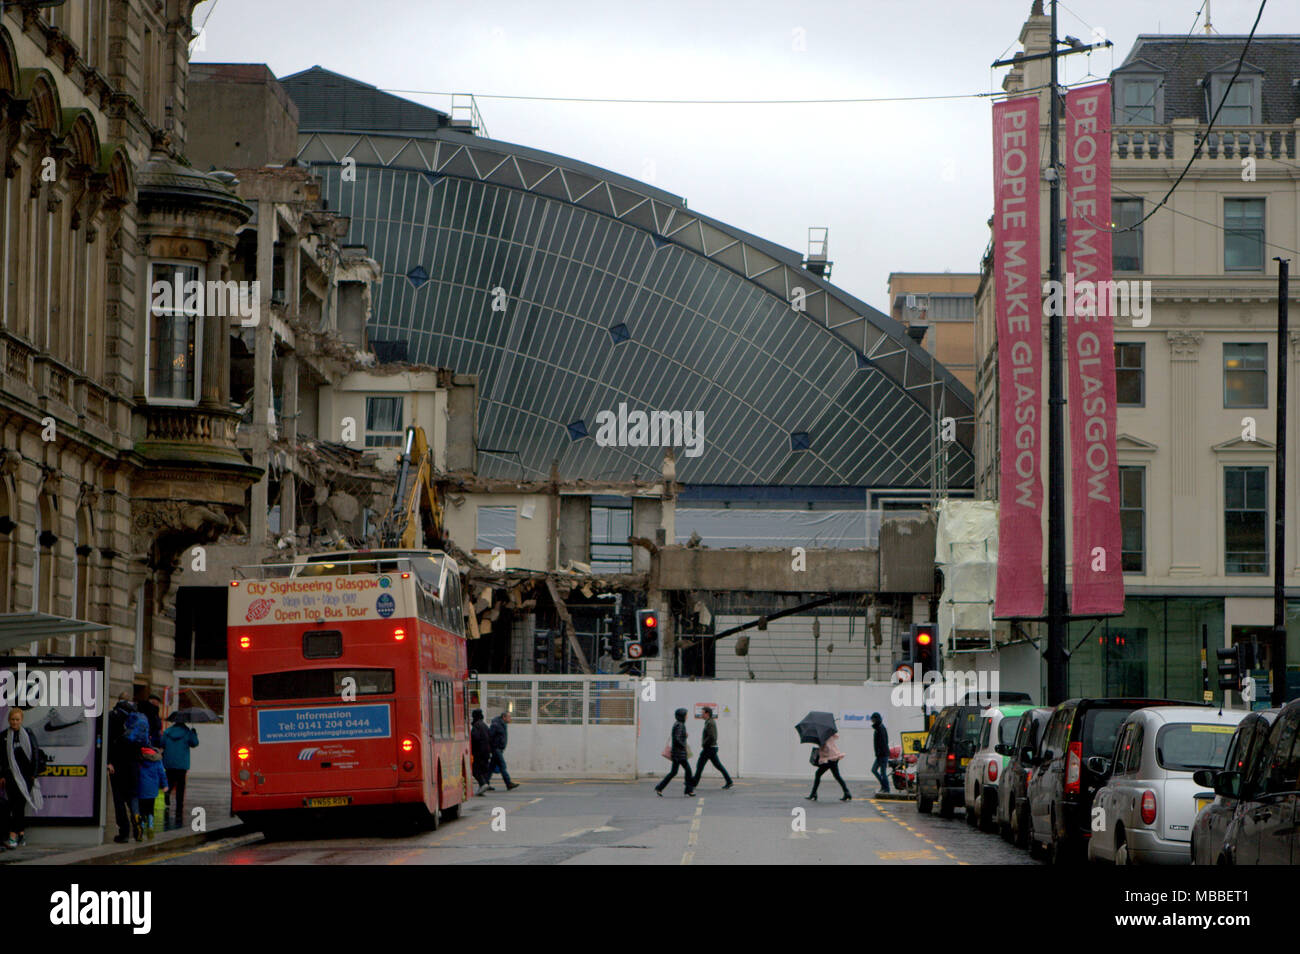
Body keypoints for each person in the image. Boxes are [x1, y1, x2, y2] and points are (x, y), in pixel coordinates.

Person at [0, 708, 44, 849]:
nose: (14, 722)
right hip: (10, 776)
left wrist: (34, 773)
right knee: (14, 806)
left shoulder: (28, 734)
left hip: (26, 777)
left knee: (19, 805)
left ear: (21, 720)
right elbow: (1, 758)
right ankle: (21, 834)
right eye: (12, 719)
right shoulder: (4, 736)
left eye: (17, 719)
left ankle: (13, 835)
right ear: (9, 720)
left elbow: (35, 753)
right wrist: (1, 775)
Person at [106, 695, 143, 843]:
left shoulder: (112, 716)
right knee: (133, 796)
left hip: (118, 764)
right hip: (134, 764)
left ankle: (124, 832)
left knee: (119, 799)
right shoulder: (137, 717)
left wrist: (109, 761)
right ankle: (138, 825)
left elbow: (108, 740)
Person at [161, 714, 199, 829]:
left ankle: (167, 795)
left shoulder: (167, 732)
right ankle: (179, 808)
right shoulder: (187, 732)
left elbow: (162, 744)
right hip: (182, 765)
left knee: (170, 782)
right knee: (181, 787)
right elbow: (195, 743)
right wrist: (194, 733)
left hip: (169, 763)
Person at [655, 708, 695, 797]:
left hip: (677, 753)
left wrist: (684, 735)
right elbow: (676, 738)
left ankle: (659, 787)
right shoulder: (680, 725)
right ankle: (689, 790)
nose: (687, 716)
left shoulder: (678, 724)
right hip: (679, 754)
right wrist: (683, 746)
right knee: (688, 771)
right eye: (686, 715)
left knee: (674, 772)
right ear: (682, 716)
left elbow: (677, 736)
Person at [691, 706, 733, 789]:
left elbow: (712, 737)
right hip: (711, 748)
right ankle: (729, 781)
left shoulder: (710, 723)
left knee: (700, 765)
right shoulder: (708, 722)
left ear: (707, 713)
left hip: (709, 748)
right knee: (718, 766)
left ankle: (693, 784)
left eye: (702, 713)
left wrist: (704, 743)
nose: (701, 715)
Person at [807, 732, 851, 802]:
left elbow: (826, 749)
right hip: (834, 757)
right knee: (837, 776)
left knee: (818, 774)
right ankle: (847, 793)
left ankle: (813, 794)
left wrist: (820, 746)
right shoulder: (829, 734)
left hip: (829, 759)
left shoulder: (823, 736)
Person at [135, 746, 168, 840]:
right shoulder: (157, 760)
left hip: (141, 788)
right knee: (150, 809)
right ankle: (150, 826)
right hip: (152, 790)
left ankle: (140, 827)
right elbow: (162, 773)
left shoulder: (139, 760)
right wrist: (164, 785)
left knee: (141, 809)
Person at [488, 710, 519, 791]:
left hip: (499, 748)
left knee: (491, 767)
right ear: (504, 717)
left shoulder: (502, 724)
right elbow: (490, 736)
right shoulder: (496, 725)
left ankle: (485, 783)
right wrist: (493, 746)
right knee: (502, 766)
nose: (510, 718)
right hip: (496, 748)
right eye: (509, 717)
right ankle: (508, 783)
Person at [470, 709, 492, 794]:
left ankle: (483, 784)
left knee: (475, 770)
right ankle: (483, 786)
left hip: (479, 752)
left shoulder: (476, 726)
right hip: (486, 752)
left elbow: (475, 738)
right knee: (482, 769)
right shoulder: (484, 725)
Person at [870, 712, 891, 795]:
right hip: (880, 755)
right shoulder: (879, 728)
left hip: (882, 755)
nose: (871, 721)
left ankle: (886, 788)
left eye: (872, 719)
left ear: (876, 719)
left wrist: (879, 753)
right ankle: (884, 786)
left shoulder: (880, 728)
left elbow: (883, 742)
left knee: (882, 772)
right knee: (874, 770)